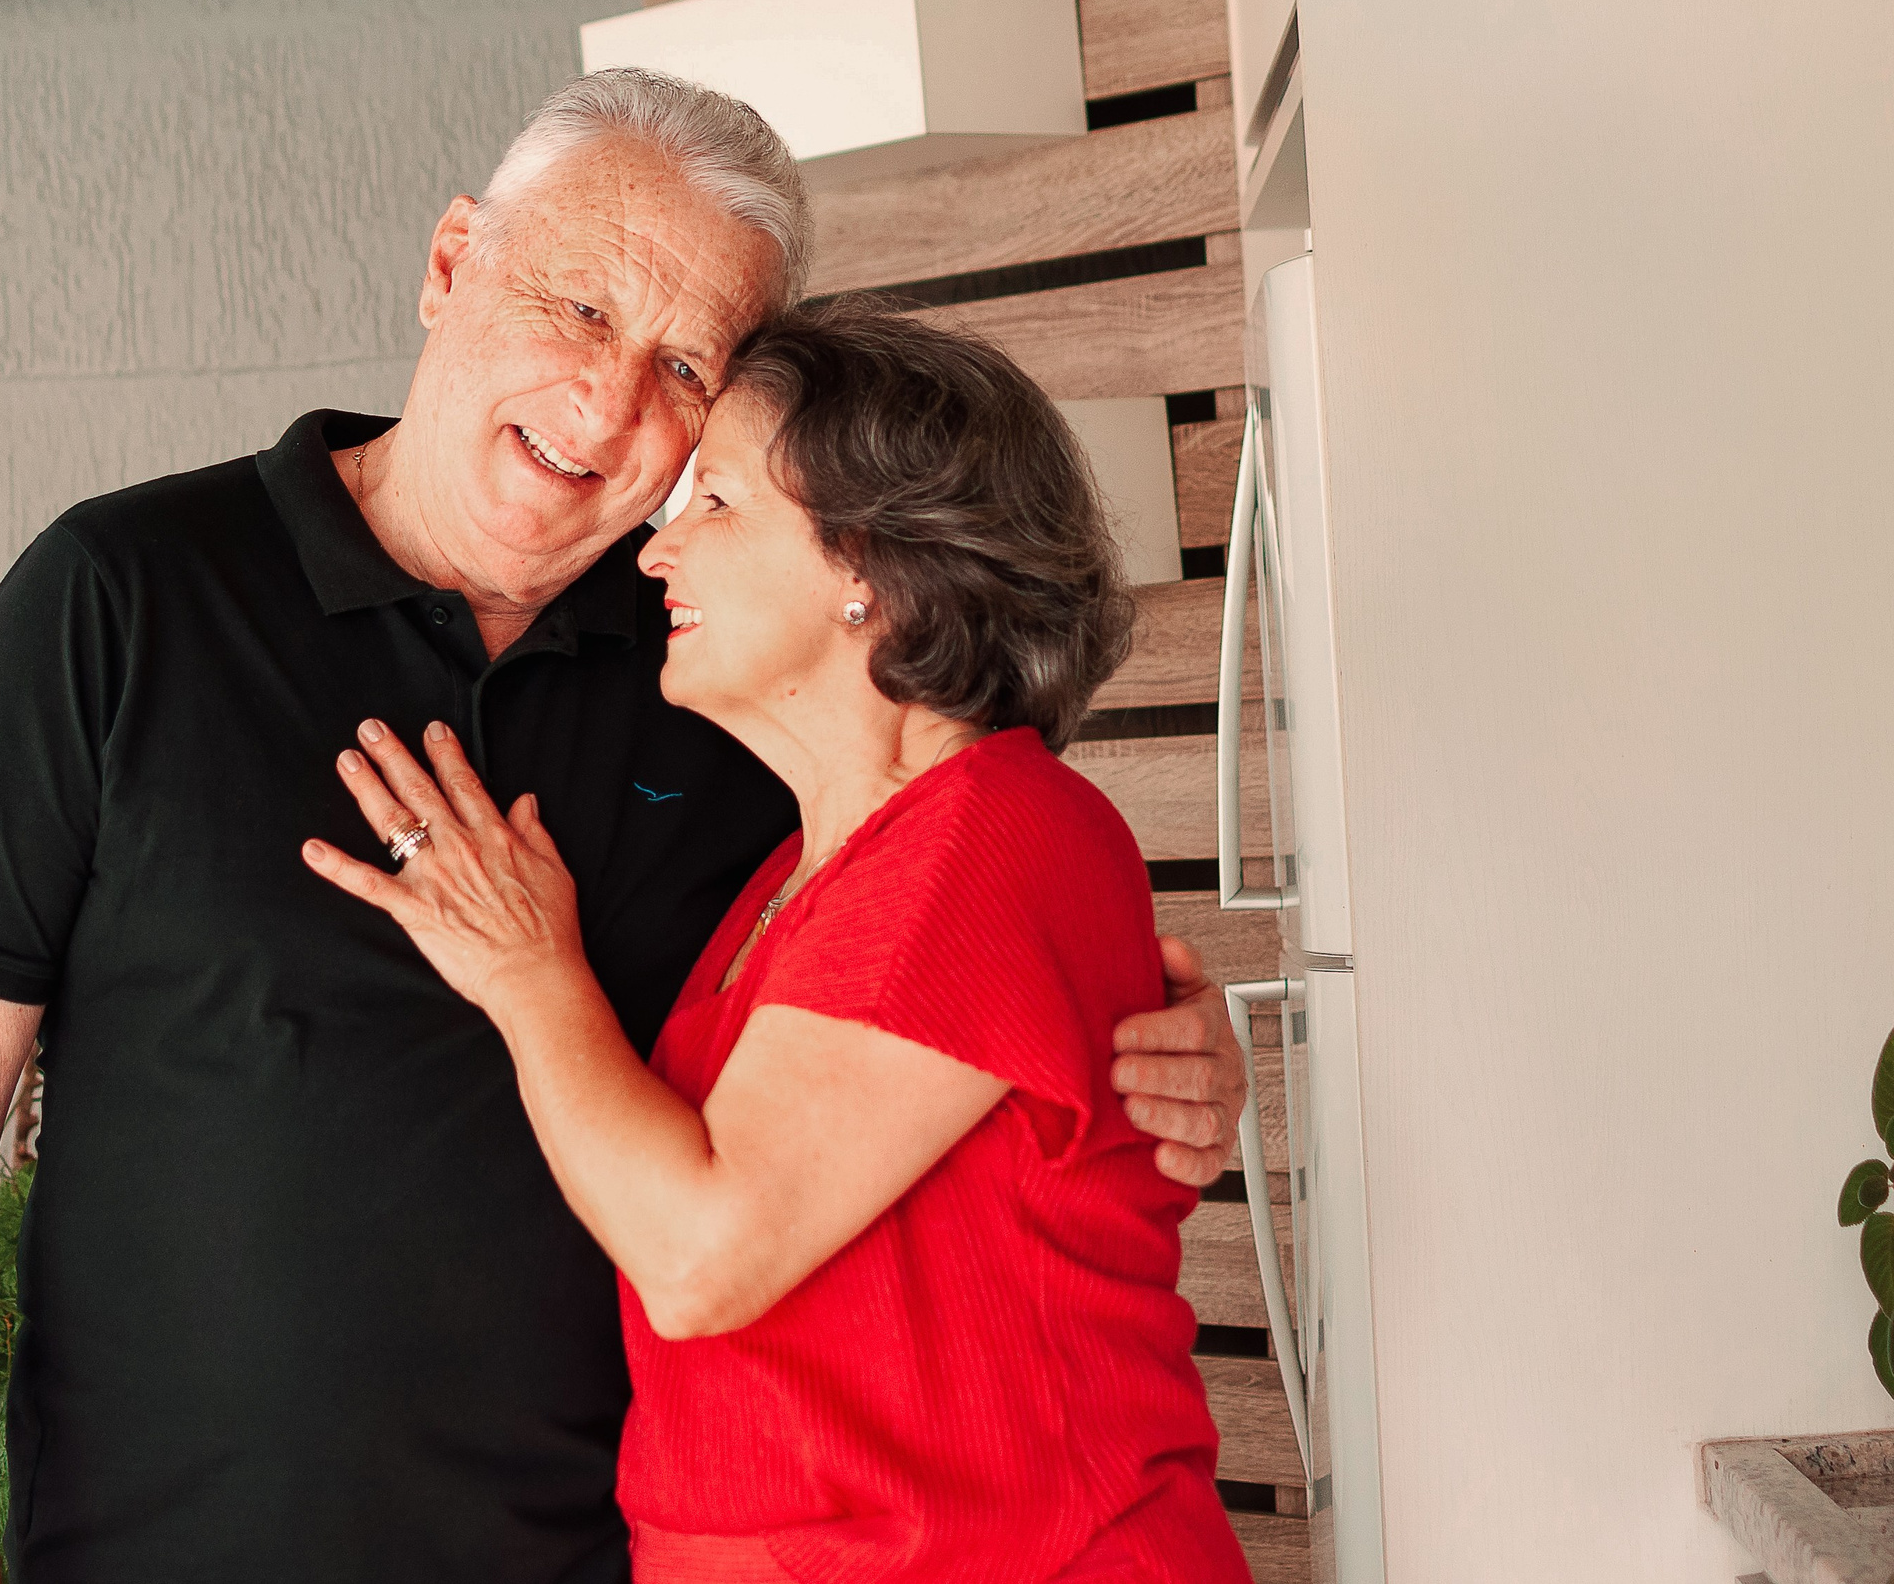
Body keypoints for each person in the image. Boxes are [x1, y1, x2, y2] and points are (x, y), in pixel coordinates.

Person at [0, 70, 1250, 1584]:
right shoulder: (122, 597)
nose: (609, 405)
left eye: (685, 363)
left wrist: (1141, 1047)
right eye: (578, 309)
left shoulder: (722, 669)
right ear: (451, 266)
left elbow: (941, 912)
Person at [305, 297, 1252, 1583]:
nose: (654, 551)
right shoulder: (786, 874)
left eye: (717, 503)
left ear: (868, 559)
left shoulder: (991, 828)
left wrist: (529, 975)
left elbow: (702, 1255)